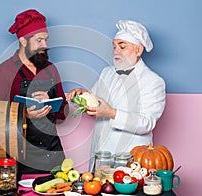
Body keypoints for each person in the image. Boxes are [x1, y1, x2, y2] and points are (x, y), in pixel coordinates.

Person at [66, 20, 166, 172]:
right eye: (114, 47)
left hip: (130, 162)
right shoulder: (107, 72)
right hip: (100, 158)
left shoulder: (153, 81)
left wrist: (111, 113)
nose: (115, 52)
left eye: (122, 46)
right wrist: (81, 96)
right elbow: (94, 103)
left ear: (138, 50)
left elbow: (146, 123)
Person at [0, 9, 68, 176]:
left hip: (53, 154)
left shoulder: (51, 69)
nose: (44, 45)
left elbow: (64, 111)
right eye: (39, 40)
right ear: (23, 40)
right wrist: (24, 114)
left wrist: (51, 102)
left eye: (46, 39)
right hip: (18, 156)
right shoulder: (4, 72)